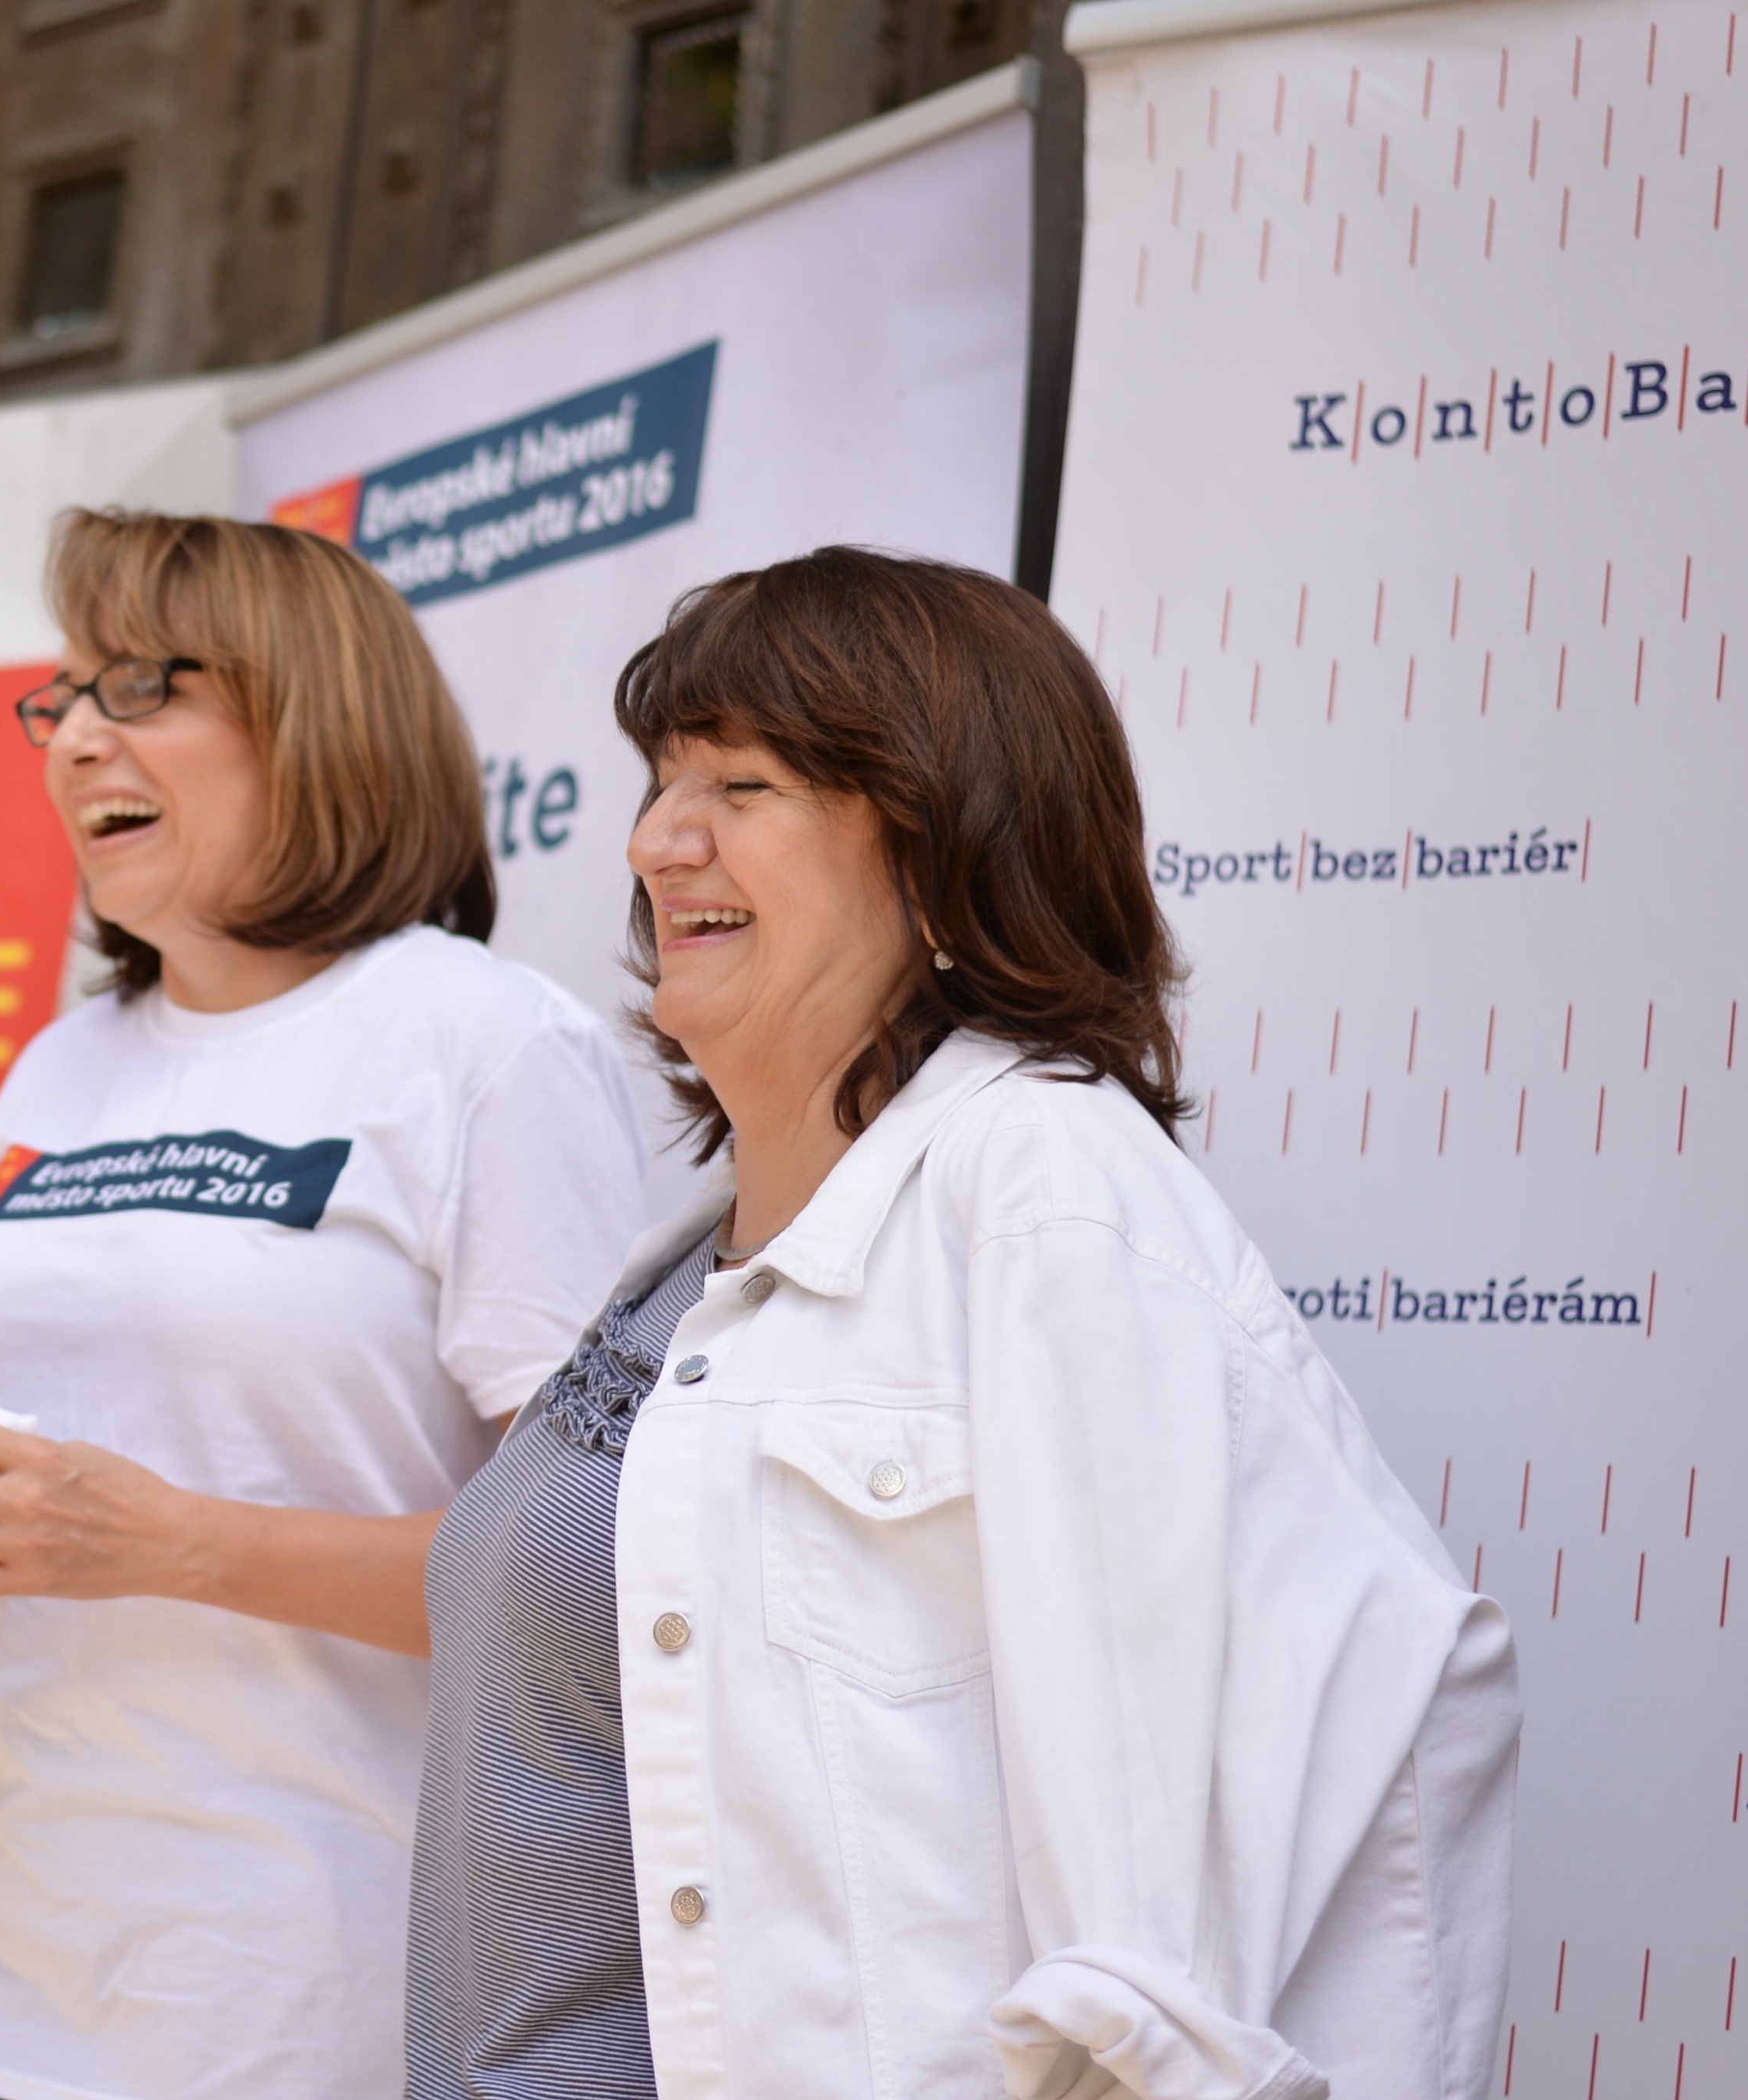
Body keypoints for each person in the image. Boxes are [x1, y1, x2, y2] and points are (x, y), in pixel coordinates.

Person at [409, 546, 1520, 2100]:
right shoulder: (686, 1264)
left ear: (942, 855)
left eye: (740, 785)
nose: (658, 838)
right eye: (662, 783)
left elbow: (1157, 1959)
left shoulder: (1046, 1192)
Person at [0, 509, 649, 2100]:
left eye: (141, 687)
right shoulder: (64, 1064)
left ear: (317, 720)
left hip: (283, 2009)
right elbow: (44, 1461)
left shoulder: (485, 1044)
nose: (74, 739)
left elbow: (594, 1577)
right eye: (63, 699)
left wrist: (180, 1544)